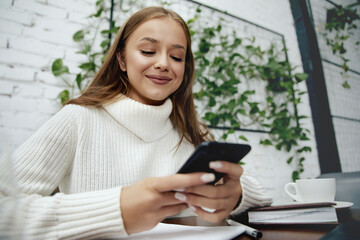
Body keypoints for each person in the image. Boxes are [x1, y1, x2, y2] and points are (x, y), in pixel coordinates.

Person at [0, 6, 272, 239]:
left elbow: (261, 194)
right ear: (121, 59)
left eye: (177, 57)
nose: (164, 63)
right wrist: (115, 209)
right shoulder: (78, 120)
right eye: (148, 51)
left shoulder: (190, 133)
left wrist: (235, 195)